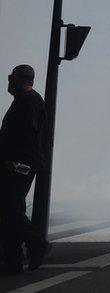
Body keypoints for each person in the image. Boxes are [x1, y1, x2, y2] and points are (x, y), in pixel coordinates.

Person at [0, 65, 49, 274]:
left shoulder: (28, 102)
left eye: (11, 78)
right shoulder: (25, 101)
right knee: (9, 211)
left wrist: (15, 162)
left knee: (11, 209)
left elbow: (27, 136)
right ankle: (13, 260)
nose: (8, 82)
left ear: (20, 80)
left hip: (19, 165)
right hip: (16, 164)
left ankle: (36, 243)